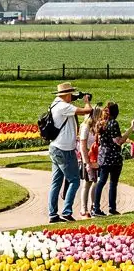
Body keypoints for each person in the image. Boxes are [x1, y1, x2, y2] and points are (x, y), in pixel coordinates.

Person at [46, 82, 92, 223]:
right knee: (74, 181)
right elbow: (87, 111)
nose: (72, 96)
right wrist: (87, 101)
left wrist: (77, 97)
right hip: (64, 150)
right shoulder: (64, 107)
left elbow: (70, 102)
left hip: (55, 147)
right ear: (66, 95)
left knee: (56, 183)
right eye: (70, 94)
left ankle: (53, 214)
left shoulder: (55, 103)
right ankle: (67, 211)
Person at [93, 101, 133, 217]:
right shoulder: (113, 123)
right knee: (113, 183)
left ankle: (96, 207)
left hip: (103, 157)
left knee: (101, 182)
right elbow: (119, 141)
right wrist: (131, 128)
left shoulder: (102, 123)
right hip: (113, 158)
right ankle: (111, 207)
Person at [78, 104, 101, 217]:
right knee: (87, 183)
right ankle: (83, 208)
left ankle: (93, 206)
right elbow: (82, 146)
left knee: (96, 182)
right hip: (87, 157)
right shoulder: (86, 127)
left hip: (96, 157)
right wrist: (86, 162)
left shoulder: (97, 126)